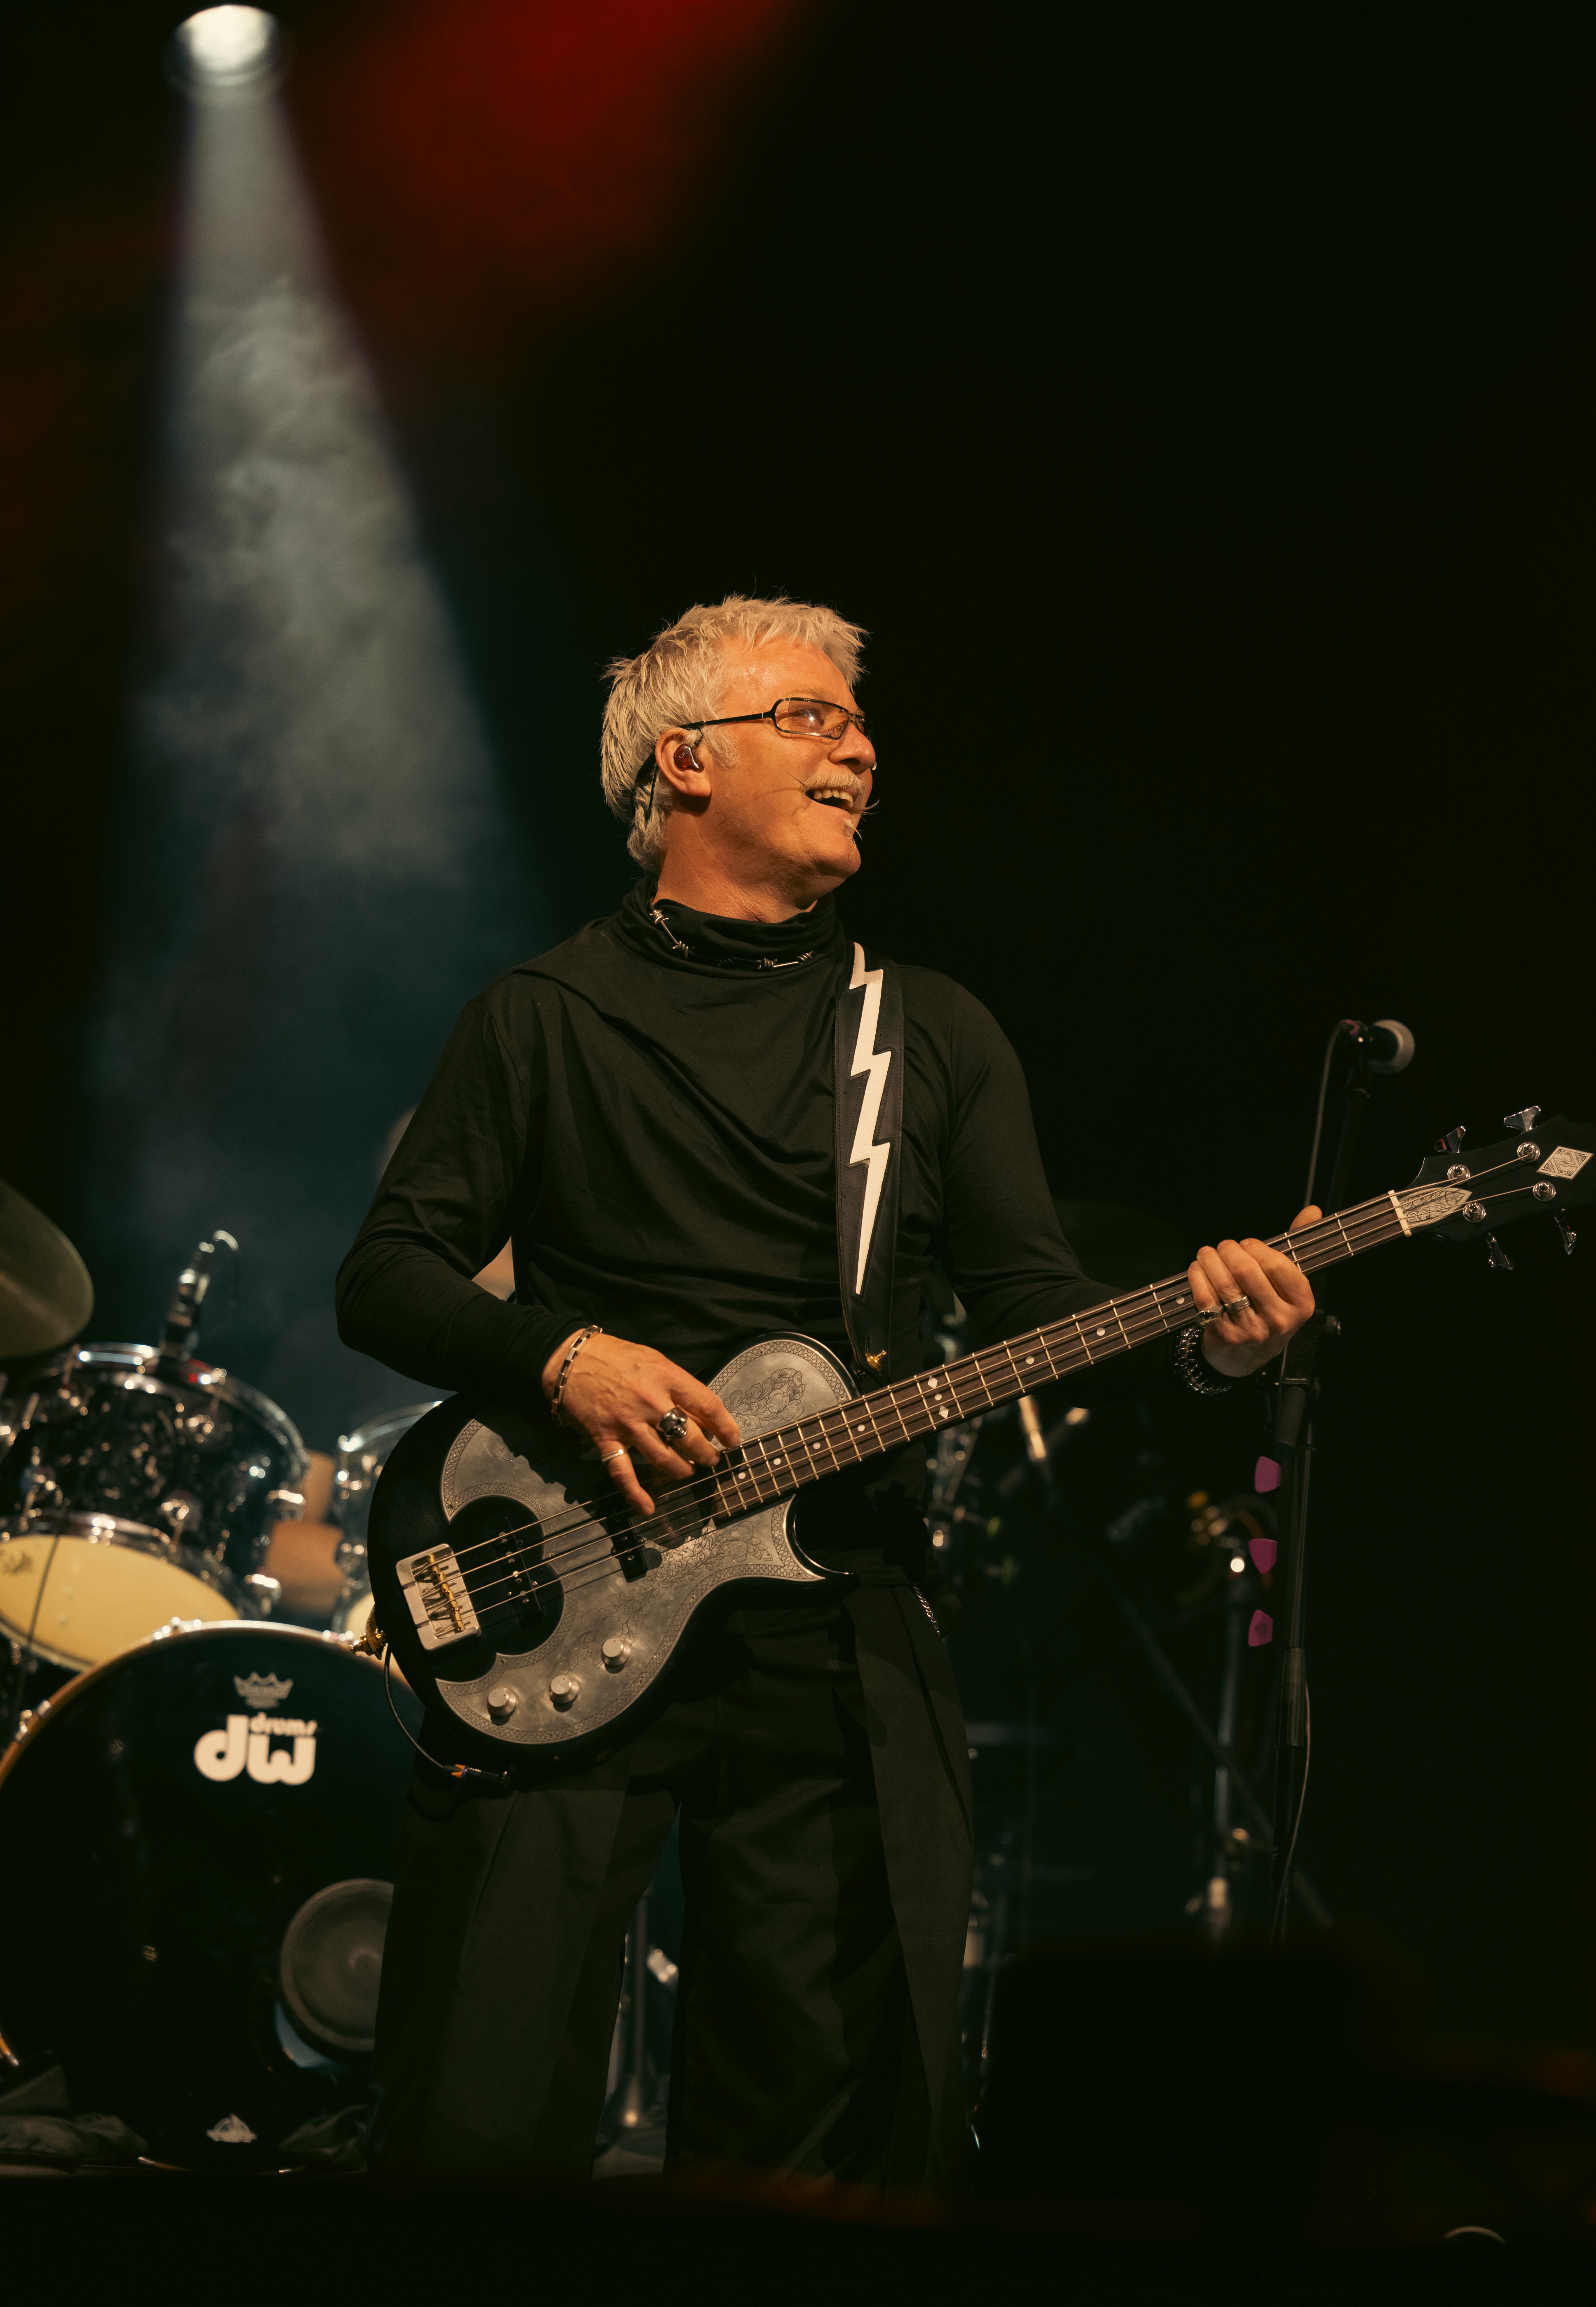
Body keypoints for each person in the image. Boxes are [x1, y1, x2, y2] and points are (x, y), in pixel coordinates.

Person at [336, 595, 1319, 2190]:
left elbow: (1036, 1312)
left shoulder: (925, 1033)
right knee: (478, 2106)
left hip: (830, 1604)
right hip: (576, 1578)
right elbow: (386, 1274)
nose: (855, 742)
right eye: (806, 715)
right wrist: (564, 1356)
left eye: (856, 721)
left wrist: (1211, 1342)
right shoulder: (543, 1017)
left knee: (807, 2143)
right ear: (686, 761)